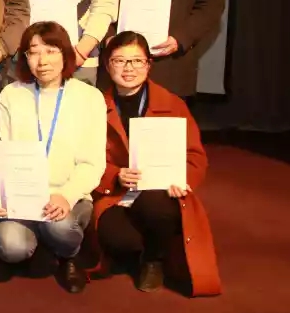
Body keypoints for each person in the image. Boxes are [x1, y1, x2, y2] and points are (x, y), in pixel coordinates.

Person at [91, 31, 221, 296]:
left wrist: (182, 180)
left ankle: (154, 259)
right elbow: (84, 156)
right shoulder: (94, 106)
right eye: (120, 61)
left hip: (160, 192)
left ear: (149, 65)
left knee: (155, 205)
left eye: (137, 61)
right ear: (107, 65)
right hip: (116, 193)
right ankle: (148, 246)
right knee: (117, 238)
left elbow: (195, 156)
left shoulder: (172, 104)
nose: (129, 68)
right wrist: (115, 175)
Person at [0, 22, 107, 293]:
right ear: (25, 57)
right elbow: (2, 152)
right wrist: (1, 195)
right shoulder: (11, 95)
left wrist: (66, 195)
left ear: (65, 54)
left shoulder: (89, 97)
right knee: (11, 247)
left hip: (67, 195)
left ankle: (70, 255)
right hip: (22, 198)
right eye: (33, 52)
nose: (42, 60)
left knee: (61, 229)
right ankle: (41, 246)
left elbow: (92, 163)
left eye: (51, 50)